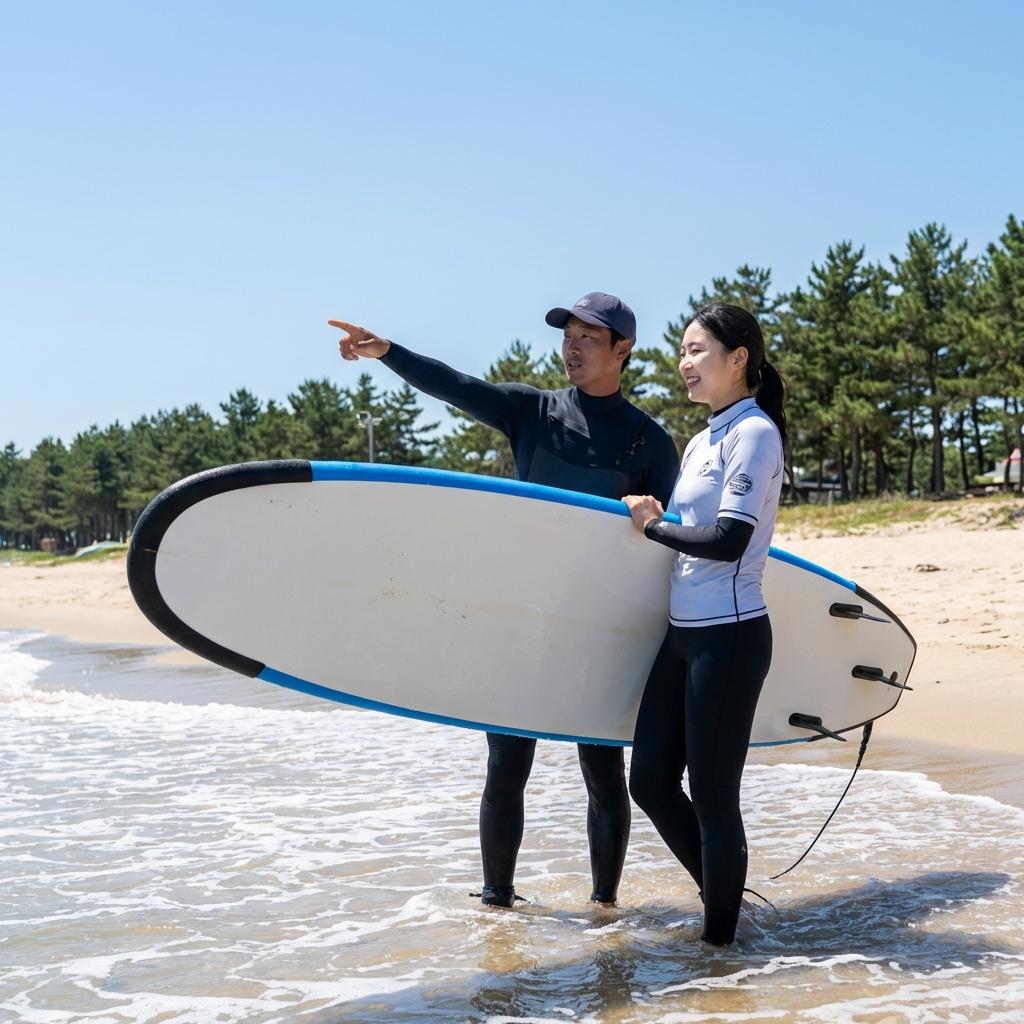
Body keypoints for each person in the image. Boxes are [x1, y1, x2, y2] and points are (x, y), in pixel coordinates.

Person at [329, 293, 679, 908]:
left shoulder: (649, 443)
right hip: (524, 624)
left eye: (588, 338)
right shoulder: (533, 412)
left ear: (622, 350)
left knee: (602, 775)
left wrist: (648, 515)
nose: (572, 346)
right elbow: (456, 385)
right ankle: (497, 907)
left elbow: (669, 543)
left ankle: (603, 908)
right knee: (506, 767)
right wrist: (388, 352)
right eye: (567, 335)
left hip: (598, 630)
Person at [621, 302, 787, 946]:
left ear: (738, 359)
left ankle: (720, 952)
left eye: (697, 351)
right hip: (682, 633)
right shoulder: (701, 439)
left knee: (715, 795)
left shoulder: (755, 433)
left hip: (731, 634)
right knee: (650, 782)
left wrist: (652, 526)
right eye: (682, 351)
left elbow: (728, 538)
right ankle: (726, 899)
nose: (684, 363)